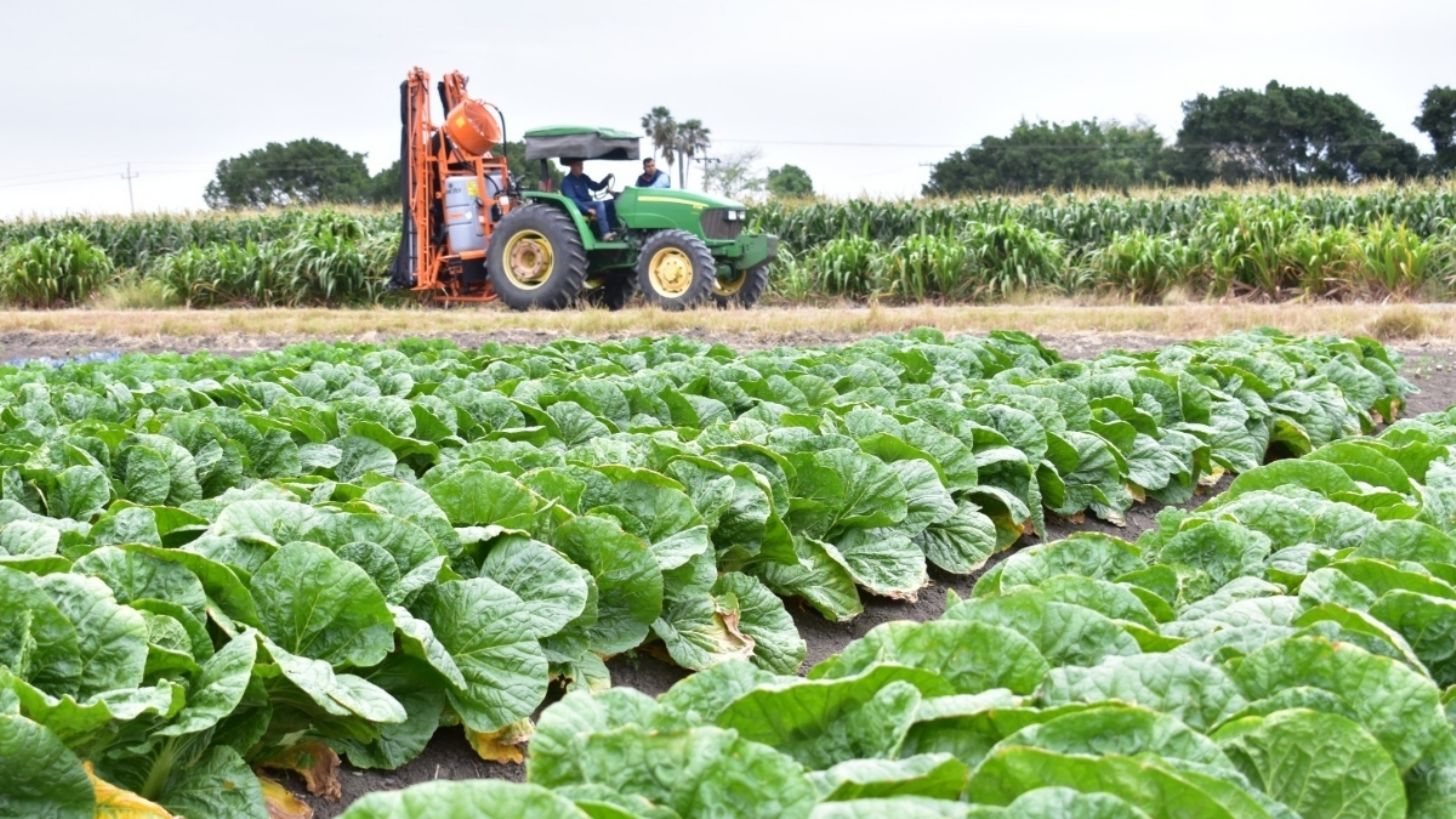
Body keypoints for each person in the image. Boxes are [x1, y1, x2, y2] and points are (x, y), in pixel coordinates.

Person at [560, 159, 616, 239]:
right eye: (579, 165)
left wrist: (606, 179)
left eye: (582, 165)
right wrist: (587, 209)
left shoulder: (584, 177)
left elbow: (596, 187)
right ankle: (605, 233)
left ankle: (611, 230)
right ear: (572, 166)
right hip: (580, 206)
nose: (582, 167)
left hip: (590, 203)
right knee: (599, 204)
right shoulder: (567, 181)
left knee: (611, 203)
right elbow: (572, 199)